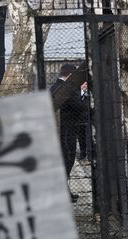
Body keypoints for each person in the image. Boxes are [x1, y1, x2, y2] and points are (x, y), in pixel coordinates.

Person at [50, 63, 84, 202]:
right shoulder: (64, 88)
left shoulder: (57, 87)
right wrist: (90, 108)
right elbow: (76, 104)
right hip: (65, 130)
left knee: (67, 159)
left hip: (64, 128)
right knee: (67, 158)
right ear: (70, 75)